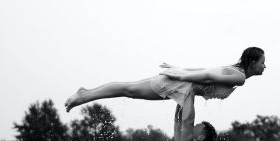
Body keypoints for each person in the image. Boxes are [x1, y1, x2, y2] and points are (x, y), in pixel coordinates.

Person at [64, 47, 265, 112]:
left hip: (181, 84)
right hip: (178, 82)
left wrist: (181, 71)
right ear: (253, 62)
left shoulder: (234, 71)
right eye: (263, 62)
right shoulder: (239, 77)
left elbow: (206, 73)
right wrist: (180, 74)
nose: (265, 66)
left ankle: (86, 94)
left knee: (130, 88)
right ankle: (84, 96)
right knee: (129, 89)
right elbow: (207, 75)